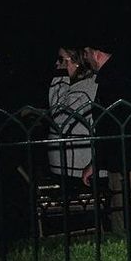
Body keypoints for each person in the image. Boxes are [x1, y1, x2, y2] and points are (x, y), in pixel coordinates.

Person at [82, 31, 131, 230]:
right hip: (124, 163)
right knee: (122, 223)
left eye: (87, 53)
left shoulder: (116, 78)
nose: (86, 58)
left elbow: (113, 126)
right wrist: (98, 162)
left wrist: (99, 160)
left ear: (96, 53)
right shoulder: (115, 75)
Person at [47, 45, 98, 187]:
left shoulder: (86, 87)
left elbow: (60, 115)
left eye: (61, 59)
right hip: (71, 169)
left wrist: (61, 75)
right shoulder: (77, 86)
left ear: (76, 61)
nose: (57, 64)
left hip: (79, 171)